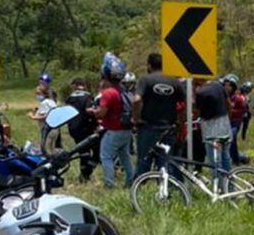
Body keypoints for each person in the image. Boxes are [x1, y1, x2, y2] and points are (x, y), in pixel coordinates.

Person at [133, 54, 185, 174]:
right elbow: (185, 104)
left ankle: (138, 189)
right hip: (168, 129)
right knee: (165, 163)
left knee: (143, 162)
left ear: (149, 66)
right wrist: (180, 122)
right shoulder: (174, 81)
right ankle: (166, 190)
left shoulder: (145, 80)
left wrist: (136, 119)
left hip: (148, 128)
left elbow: (136, 100)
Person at [91, 57, 134, 189]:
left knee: (105, 157)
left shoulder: (108, 93)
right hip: (126, 130)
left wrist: (94, 111)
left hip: (114, 130)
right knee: (125, 157)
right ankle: (130, 181)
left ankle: (109, 184)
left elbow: (101, 113)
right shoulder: (123, 90)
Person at [195, 77, 232, 193]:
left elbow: (197, 112)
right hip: (225, 124)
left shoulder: (200, 92)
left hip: (211, 128)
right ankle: (230, 187)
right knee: (226, 158)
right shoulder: (218, 85)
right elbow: (228, 104)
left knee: (214, 161)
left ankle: (219, 189)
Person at [64, 78, 98, 181]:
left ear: (75, 85)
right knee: (96, 151)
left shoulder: (69, 98)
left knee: (83, 151)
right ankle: (87, 171)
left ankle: (84, 174)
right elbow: (89, 111)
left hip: (73, 129)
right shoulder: (87, 97)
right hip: (86, 127)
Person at [223, 75, 247, 165]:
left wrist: (231, 110)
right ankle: (230, 158)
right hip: (225, 123)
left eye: (229, 85)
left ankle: (236, 160)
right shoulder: (222, 97)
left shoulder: (238, 99)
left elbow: (243, 111)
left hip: (234, 123)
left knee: (232, 138)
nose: (227, 87)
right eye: (225, 85)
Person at [29, 83, 58, 153]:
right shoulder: (52, 102)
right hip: (55, 129)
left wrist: (32, 116)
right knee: (52, 149)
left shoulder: (44, 103)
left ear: (44, 94)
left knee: (46, 150)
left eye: (39, 93)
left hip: (47, 130)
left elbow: (45, 116)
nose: (37, 95)